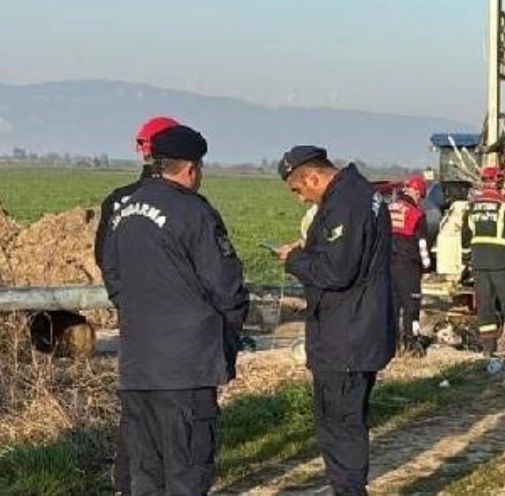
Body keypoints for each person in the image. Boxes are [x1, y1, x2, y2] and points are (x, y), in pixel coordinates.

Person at [103, 123, 250, 495]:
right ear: (190, 168)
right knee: (187, 470)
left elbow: (114, 277)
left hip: (137, 365)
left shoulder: (122, 210)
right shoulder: (194, 212)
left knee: (145, 472)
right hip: (185, 368)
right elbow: (227, 288)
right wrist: (225, 344)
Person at [274, 146, 394, 496]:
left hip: (345, 335)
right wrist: (310, 245)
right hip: (360, 328)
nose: (301, 199)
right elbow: (349, 254)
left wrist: (296, 259)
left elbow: (336, 271)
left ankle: (348, 490)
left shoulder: (345, 204)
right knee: (348, 421)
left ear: (313, 177)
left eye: (299, 190)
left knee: (339, 426)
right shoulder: (363, 194)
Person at [95, 115, 180, 495]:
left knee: (137, 410)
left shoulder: (117, 201)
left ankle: (127, 485)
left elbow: (106, 260)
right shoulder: (188, 204)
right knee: (177, 409)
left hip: (136, 324)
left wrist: (127, 304)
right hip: (179, 328)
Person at [460, 165, 505, 360]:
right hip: (501, 261)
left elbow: (465, 236)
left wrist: (466, 260)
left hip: (479, 262)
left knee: (485, 305)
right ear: (499, 182)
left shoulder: (471, 206)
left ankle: (489, 349)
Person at [388, 174, 430, 357]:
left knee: (392, 305)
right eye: (420, 195)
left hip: (386, 264)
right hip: (408, 265)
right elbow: (422, 243)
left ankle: (393, 344)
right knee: (411, 305)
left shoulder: (388, 209)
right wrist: (427, 265)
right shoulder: (416, 214)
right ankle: (411, 344)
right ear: (416, 192)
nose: (419, 199)